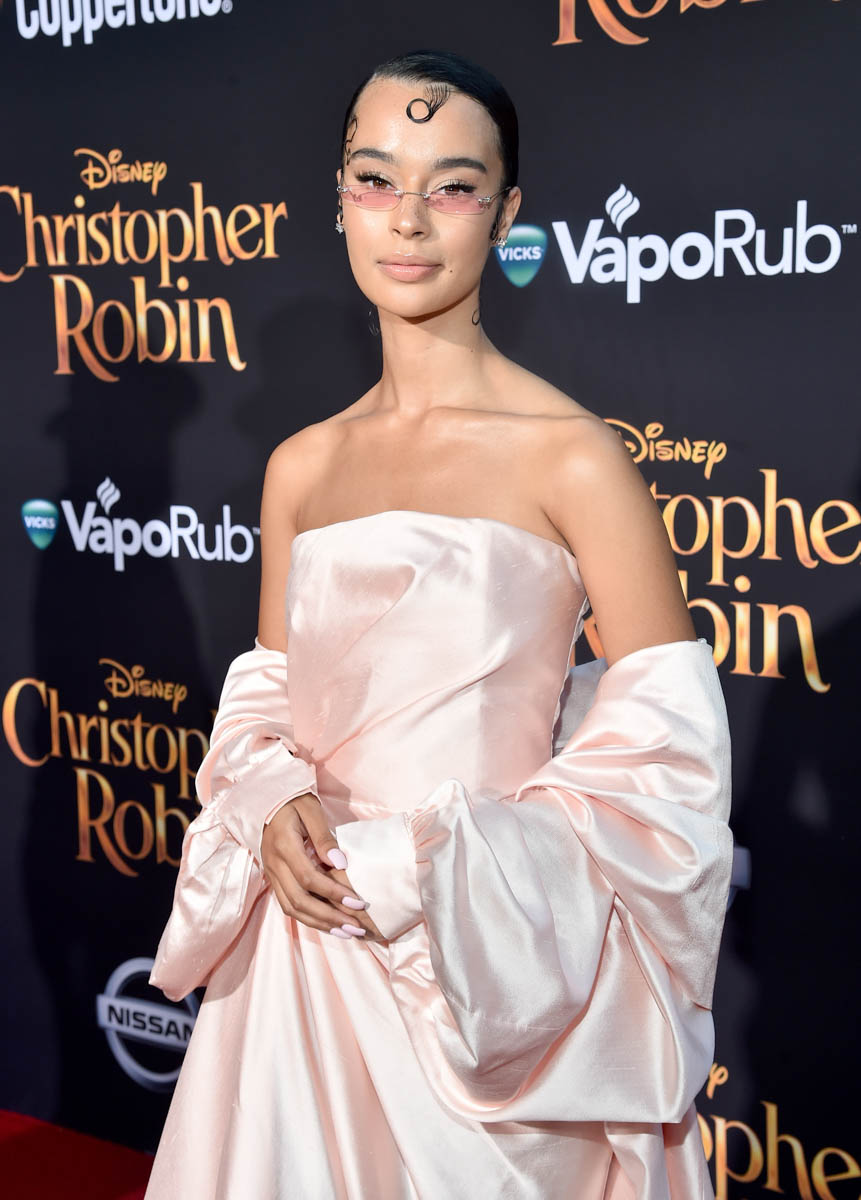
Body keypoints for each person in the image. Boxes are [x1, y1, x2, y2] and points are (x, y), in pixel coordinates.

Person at [145, 49, 733, 1200]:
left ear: (506, 214)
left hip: (483, 984)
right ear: (339, 198)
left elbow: (666, 777)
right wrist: (269, 800)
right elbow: (267, 694)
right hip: (304, 967)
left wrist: (428, 867)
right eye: (376, 178)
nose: (407, 219)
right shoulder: (301, 466)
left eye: (453, 187)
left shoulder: (574, 458)